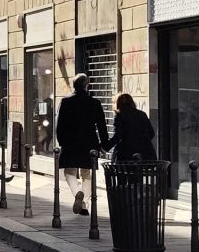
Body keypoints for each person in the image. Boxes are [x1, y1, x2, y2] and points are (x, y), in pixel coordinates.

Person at [55, 74, 111, 215]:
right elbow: (102, 126)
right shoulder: (94, 103)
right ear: (87, 86)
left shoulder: (66, 102)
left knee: (69, 171)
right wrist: (104, 144)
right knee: (87, 173)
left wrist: (62, 142)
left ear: (73, 85)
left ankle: (77, 192)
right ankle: (84, 204)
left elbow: (59, 125)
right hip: (89, 142)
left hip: (70, 142)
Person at [109, 93, 158, 162]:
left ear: (118, 104)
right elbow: (151, 133)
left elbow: (118, 136)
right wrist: (142, 143)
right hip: (145, 153)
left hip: (126, 154)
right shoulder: (142, 114)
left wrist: (106, 147)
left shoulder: (120, 116)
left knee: (123, 168)